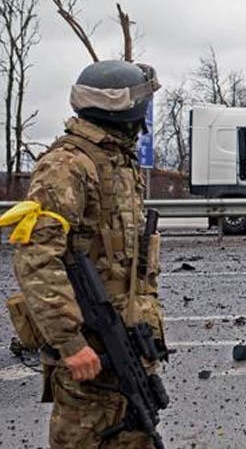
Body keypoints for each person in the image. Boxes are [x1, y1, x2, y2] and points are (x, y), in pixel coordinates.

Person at [10, 60, 165, 447]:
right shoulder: (67, 166)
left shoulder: (117, 160)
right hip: (90, 346)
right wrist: (71, 343)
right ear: (122, 108)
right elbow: (36, 258)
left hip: (126, 342)